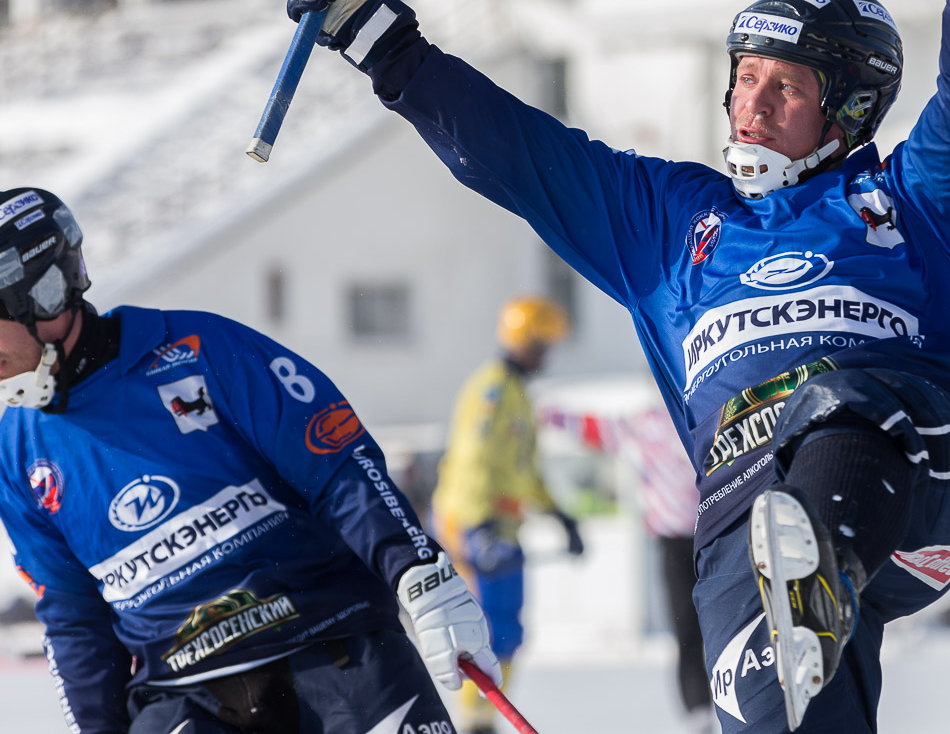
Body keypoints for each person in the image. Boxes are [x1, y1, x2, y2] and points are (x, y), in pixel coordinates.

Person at [284, 0, 950, 732]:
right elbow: (522, 153)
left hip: (911, 474)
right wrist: (377, 39)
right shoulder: (676, 223)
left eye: (785, 88)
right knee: (774, 714)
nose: (751, 106)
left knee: (831, 402)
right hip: (742, 520)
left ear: (849, 113)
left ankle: (821, 568)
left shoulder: (906, 203)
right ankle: (802, 596)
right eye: (744, 79)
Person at [0, 187, 500, 733]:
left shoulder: (199, 348)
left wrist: (418, 571)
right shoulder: (17, 448)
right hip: (183, 696)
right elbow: (73, 616)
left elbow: (336, 464)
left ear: (43, 297)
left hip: (332, 644)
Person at [431, 295, 585, 734]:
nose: (546, 355)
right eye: (541, 344)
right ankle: (473, 721)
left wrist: (560, 516)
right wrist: (478, 528)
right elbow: (473, 460)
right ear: (521, 340)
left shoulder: (518, 394)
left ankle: (488, 721)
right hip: (473, 524)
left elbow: (524, 469)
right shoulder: (493, 389)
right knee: (481, 630)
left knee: (509, 630)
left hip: (503, 528)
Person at [541, 403, 711, 732]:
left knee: (721, 623)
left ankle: (732, 702)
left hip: (717, 533)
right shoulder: (648, 422)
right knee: (687, 631)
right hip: (674, 540)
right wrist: (551, 416)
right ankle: (699, 713)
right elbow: (599, 429)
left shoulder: (704, 412)